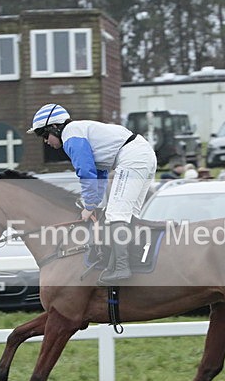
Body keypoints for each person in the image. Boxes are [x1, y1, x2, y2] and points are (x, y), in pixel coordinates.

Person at [28, 103, 157, 284]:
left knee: (116, 214)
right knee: (128, 214)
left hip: (133, 157)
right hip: (142, 154)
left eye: (44, 134)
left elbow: (86, 171)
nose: (45, 141)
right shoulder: (80, 132)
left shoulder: (70, 135)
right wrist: (94, 203)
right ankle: (126, 262)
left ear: (55, 127)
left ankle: (121, 268)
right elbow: (100, 174)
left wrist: (89, 206)